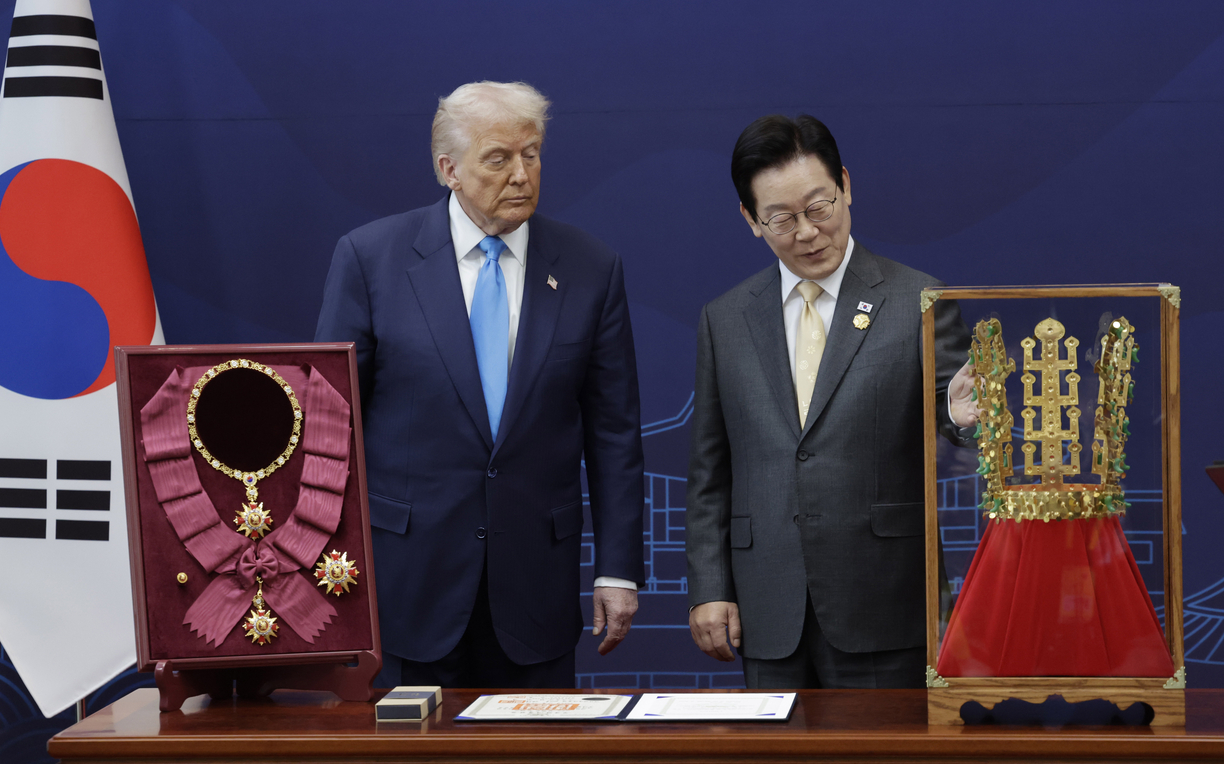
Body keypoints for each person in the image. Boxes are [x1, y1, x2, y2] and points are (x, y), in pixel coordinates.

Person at [315, 81, 644, 688]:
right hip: (408, 588)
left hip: (535, 592)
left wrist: (617, 570)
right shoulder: (370, 259)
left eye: (533, 154)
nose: (522, 174)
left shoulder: (590, 268)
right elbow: (331, 427)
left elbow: (615, 433)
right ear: (450, 169)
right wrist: (323, 565)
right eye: (499, 158)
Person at [685, 114, 976, 689]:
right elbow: (709, 472)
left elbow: (955, 410)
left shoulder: (918, 299)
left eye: (819, 208)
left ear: (846, 185)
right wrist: (710, 588)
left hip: (885, 599)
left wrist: (962, 417)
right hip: (767, 603)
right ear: (750, 220)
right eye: (782, 219)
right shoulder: (726, 319)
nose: (808, 232)